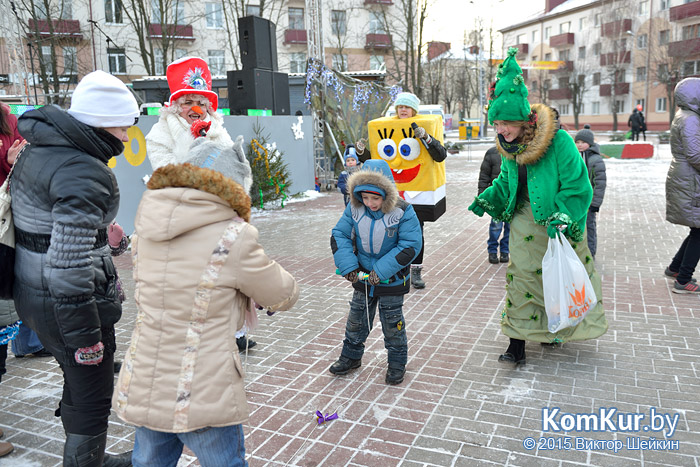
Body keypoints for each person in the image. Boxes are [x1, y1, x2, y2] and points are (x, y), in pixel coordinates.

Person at [113, 138, 298, 466]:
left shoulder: (146, 232)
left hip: (148, 379)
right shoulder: (233, 237)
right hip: (202, 387)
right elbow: (281, 293)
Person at [11, 70, 137, 466]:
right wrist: (87, 339)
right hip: (66, 303)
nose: (128, 136)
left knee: (77, 380)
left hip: (32, 290)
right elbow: (68, 266)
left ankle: (92, 459)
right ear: (102, 122)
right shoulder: (84, 170)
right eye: (124, 125)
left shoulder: (41, 147)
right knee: (92, 391)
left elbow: (46, 231)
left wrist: (105, 241)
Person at [468, 48, 607, 365]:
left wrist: (563, 213)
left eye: (504, 123)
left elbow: (577, 184)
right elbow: (506, 181)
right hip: (523, 221)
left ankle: (553, 331)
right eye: (496, 123)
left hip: (558, 221)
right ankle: (516, 344)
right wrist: (488, 197)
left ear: (520, 120)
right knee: (521, 281)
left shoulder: (559, 142)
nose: (500, 130)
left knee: (555, 281)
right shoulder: (508, 145)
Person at [146, 56, 256, 351]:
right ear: (175, 105)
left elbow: (236, 168)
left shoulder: (218, 128)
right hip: (185, 219)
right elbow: (171, 175)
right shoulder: (160, 134)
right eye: (187, 102)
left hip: (221, 216)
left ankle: (235, 333)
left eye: (201, 101)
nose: (195, 108)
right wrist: (195, 141)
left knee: (227, 277)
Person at [329, 159, 422, 385]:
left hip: (391, 278)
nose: (370, 203)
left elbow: (410, 245)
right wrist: (349, 266)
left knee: (392, 323)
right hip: (362, 276)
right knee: (356, 320)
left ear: (387, 194)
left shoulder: (403, 211)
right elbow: (339, 235)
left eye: (376, 198)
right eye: (365, 197)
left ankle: (397, 362)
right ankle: (351, 357)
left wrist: (381, 270)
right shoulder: (355, 208)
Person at [355, 92, 446, 289]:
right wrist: (362, 153)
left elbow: (440, 155)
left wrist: (426, 138)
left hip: (417, 193)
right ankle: (394, 268)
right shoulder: (386, 127)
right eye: (400, 106)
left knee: (414, 234)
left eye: (407, 106)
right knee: (389, 232)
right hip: (390, 194)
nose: (403, 110)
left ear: (414, 109)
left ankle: (415, 269)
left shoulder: (425, 127)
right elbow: (378, 161)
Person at [665, 78, 700, 293]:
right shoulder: (691, 119)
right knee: (699, 230)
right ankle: (683, 280)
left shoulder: (685, 115)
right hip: (691, 179)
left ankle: (675, 268)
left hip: (687, 177)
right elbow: (696, 154)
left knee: (697, 228)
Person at [574, 128, 607, 258]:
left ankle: (590, 252)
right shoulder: (574, 156)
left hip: (588, 202)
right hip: (575, 200)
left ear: (590, 143)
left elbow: (600, 183)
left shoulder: (595, 160)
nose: (580, 145)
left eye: (583, 142)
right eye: (577, 142)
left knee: (589, 227)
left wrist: (595, 203)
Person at [478, 146, 510, 264]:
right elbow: (484, 176)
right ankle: (492, 251)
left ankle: (505, 251)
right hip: (497, 198)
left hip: (513, 198)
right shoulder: (492, 153)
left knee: (510, 227)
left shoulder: (517, 151)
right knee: (495, 226)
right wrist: (482, 196)